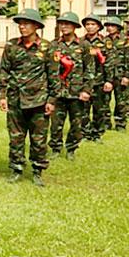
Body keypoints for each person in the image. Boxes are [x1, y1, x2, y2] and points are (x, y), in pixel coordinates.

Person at [0, 8, 59, 186]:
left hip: (39, 100)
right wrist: (2, 95)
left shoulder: (48, 48)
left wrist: (52, 100)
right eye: (20, 24)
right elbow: (4, 71)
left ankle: (38, 170)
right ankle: (16, 168)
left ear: (36, 26)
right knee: (16, 137)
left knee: (38, 139)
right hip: (16, 99)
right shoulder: (11, 46)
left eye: (26, 23)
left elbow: (53, 75)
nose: (22, 27)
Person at [48, 12, 93, 160]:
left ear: (75, 27)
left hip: (77, 92)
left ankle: (71, 148)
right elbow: (49, 69)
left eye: (68, 23)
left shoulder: (84, 45)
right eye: (61, 23)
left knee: (76, 123)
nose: (64, 26)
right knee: (56, 124)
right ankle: (55, 148)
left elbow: (90, 69)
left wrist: (87, 90)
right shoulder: (54, 45)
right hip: (58, 91)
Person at [81, 14, 112, 143]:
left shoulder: (105, 43)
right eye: (87, 24)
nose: (90, 27)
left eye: (93, 24)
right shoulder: (81, 42)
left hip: (99, 81)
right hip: (85, 82)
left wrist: (109, 80)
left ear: (98, 27)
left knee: (100, 109)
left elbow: (110, 62)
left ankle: (97, 134)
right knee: (83, 110)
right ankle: (84, 133)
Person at [103, 16, 129, 132]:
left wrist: (127, 76)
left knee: (121, 102)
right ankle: (105, 124)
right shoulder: (104, 41)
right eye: (108, 26)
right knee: (104, 101)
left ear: (118, 28)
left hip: (120, 76)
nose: (110, 28)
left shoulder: (125, 40)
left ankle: (120, 124)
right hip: (107, 76)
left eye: (113, 26)